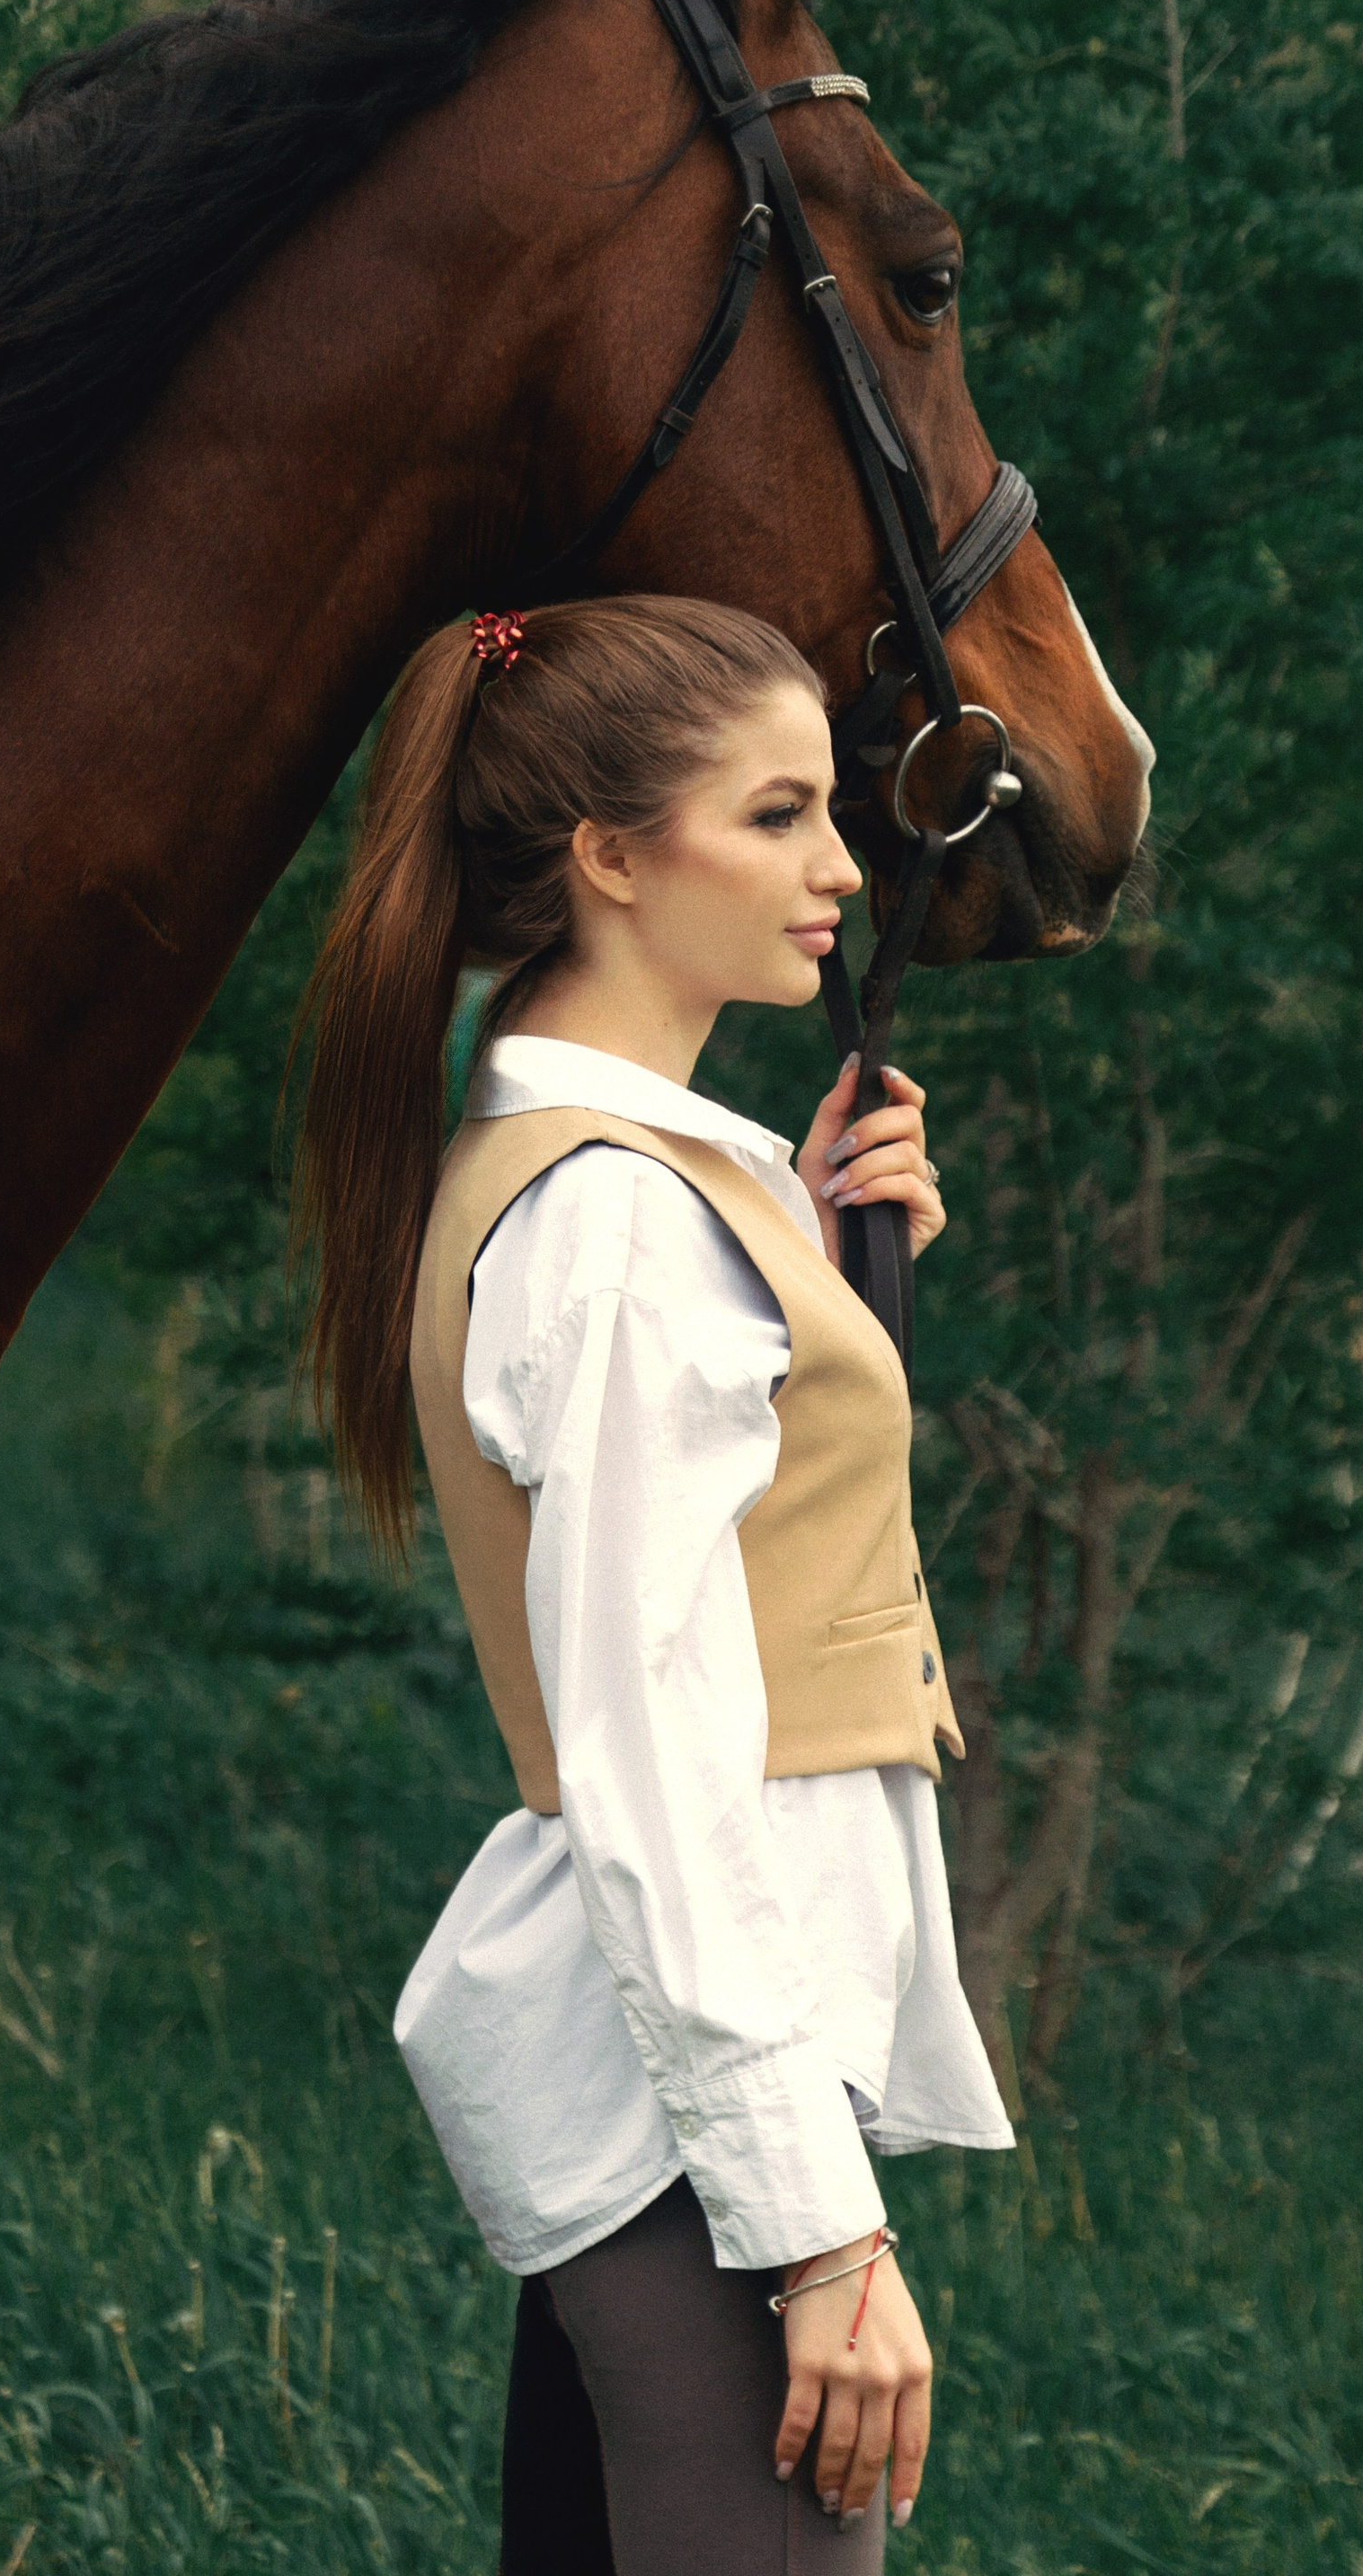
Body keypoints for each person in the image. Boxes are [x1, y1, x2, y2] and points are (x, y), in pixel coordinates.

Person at [293, 595, 1013, 2572]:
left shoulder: (640, 1185)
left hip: (671, 2083)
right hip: (692, 2109)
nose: (840, 868)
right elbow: (654, 1752)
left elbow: (736, 1563)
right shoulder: (616, 1225)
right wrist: (818, 2235)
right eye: (774, 815)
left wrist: (814, 1264)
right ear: (608, 857)